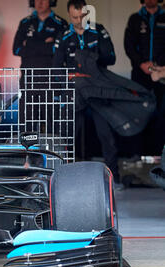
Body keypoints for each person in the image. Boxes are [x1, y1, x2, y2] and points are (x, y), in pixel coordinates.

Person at [53, 0, 122, 186]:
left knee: (106, 134)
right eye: (74, 17)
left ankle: (114, 177)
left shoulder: (98, 31)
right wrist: (65, 87)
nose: (78, 20)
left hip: (98, 88)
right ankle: (62, 177)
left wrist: (91, 58)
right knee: (69, 133)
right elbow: (56, 67)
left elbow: (112, 57)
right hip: (75, 91)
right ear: (69, 15)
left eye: (82, 16)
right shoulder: (64, 35)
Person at [124, 0, 165, 156]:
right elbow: (129, 45)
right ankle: (138, 155)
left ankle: (159, 155)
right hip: (139, 74)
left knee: (161, 114)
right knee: (138, 113)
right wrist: (141, 63)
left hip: (161, 74)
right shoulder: (135, 19)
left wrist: (157, 64)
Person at [13, 0, 68, 69]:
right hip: (28, 75)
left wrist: (28, 43)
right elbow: (16, 50)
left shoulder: (61, 24)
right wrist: (45, 44)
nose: (40, 2)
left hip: (52, 75)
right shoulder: (25, 22)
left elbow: (61, 51)